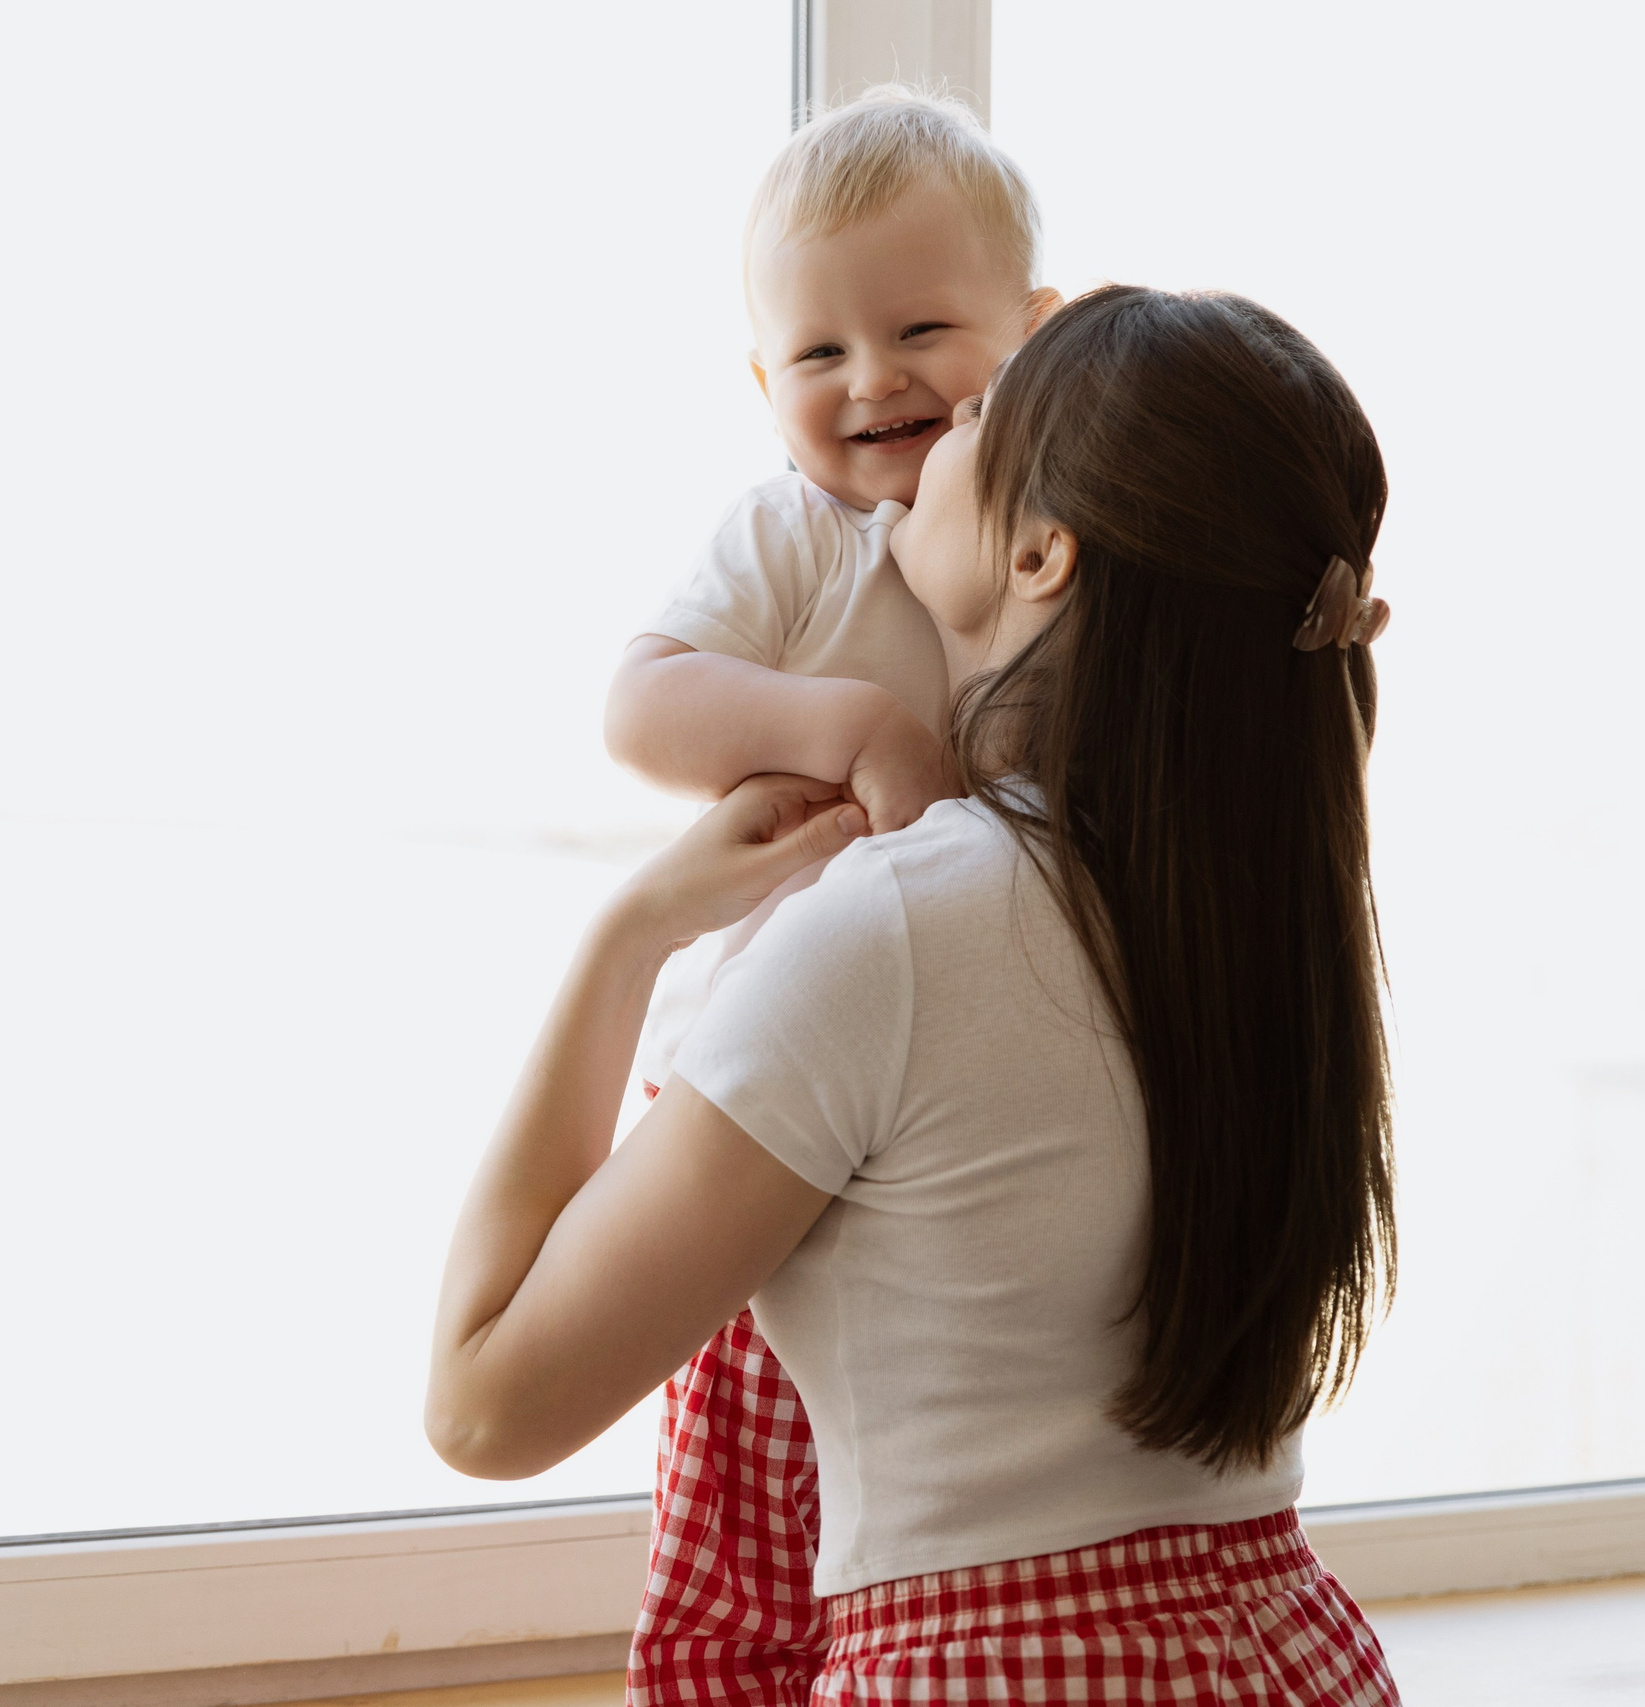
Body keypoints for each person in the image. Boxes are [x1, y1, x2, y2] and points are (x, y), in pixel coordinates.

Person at [427, 285, 1403, 1703]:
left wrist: (629, 934)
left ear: (1042, 552)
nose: (941, 423)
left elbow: (485, 1401)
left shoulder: (895, 931)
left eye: (983, 419)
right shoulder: (1269, 925)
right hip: (1288, 1656)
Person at [600, 87, 1058, 1700]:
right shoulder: (793, 539)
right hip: (763, 1075)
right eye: (817, 355)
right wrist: (842, 724)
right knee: (749, 1478)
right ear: (762, 383)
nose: (873, 381)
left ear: (1037, 333)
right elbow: (642, 702)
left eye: (924, 327)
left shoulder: (1050, 543)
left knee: (919, 1454)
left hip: (968, 1089)